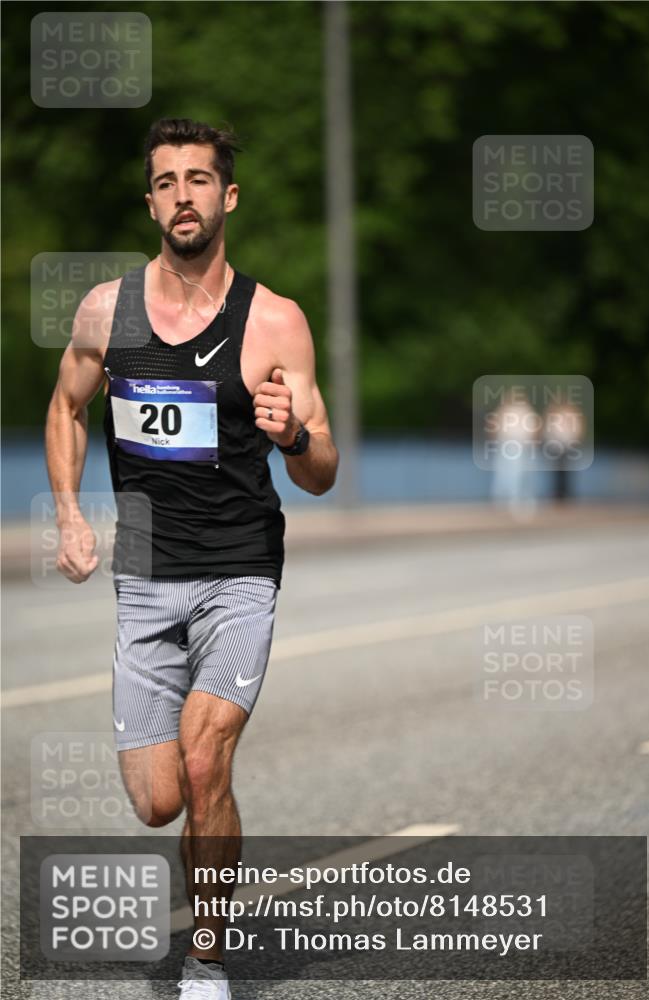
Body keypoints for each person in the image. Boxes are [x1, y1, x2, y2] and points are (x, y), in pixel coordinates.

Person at [45, 117, 339, 999]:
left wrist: (294, 440)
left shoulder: (275, 320)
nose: (184, 194)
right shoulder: (106, 309)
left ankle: (205, 960)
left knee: (208, 763)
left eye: (199, 179)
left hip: (240, 569)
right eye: (167, 181)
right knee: (158, 800)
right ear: (150, 203)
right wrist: (68, 515)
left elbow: (323, 469)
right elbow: (65, 410)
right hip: (144, 575)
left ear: (228, 196)